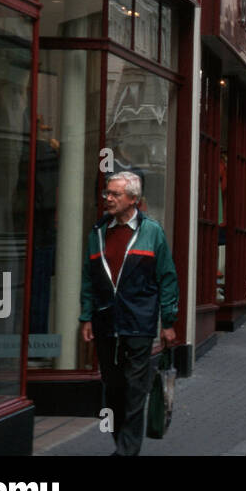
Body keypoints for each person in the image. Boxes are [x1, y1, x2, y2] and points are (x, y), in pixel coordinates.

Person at [78, 171, 179, 456]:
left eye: (115, 194)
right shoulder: (98, 233)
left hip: (139, 321)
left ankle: (126, 451)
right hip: (106, 321)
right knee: (113, 388)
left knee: (135, 388)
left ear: (133, 199)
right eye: (106, 193)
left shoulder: (152, 232)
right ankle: (122, 441)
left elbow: (167, 278)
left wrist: (168, 321)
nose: (107, 199)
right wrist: (86, 316)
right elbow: (89, 279)